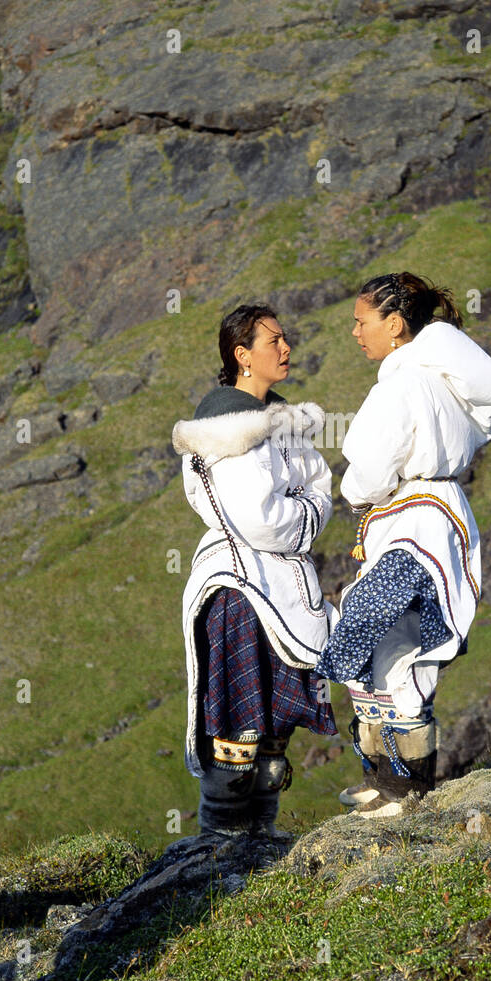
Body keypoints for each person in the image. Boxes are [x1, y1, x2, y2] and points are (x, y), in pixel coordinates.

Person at [315, 272, 491, 818]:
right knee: (391, 646)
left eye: (362, 321)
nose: (355, 332)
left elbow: (372, 471)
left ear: (395, 324)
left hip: (412, 523)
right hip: (431, 520)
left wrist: (352, 491)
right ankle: (387, 780)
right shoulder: (433, 380)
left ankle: (404, 789)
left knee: (387, 641)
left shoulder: (402, 385)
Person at [171, 303, 335, 837]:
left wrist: (304, 508)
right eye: (273, 342)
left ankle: (259, 842)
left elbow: (320, 487)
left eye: (285, 338)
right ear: (242, 356)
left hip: (280, 586)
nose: (285, 349)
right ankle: (219, 850)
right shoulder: (226, 428)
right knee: (237, 731)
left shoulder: (283, 421)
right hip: (240, 594)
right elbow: (262, 521)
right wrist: (306, 512)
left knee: (270, 733)